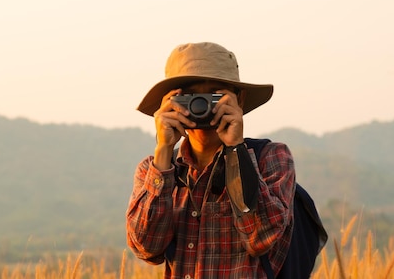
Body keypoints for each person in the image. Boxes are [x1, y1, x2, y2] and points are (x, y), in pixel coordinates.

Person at [126, 42, 296, 278]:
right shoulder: (154, 169)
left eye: (215, 94)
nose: (201, 106)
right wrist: (164, 149)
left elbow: (260, 238)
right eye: (191, 96)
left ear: (240, 99)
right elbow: (147, 248)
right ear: (169, 103)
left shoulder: (272, 158)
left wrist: (235, 148)